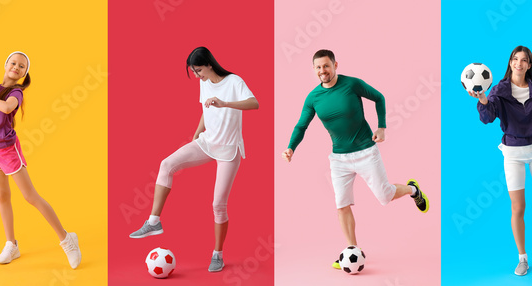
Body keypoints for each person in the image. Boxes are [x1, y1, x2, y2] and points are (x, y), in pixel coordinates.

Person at [282, 49, 429, 270]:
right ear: (314, 70)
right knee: (341, 204)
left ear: (335, 65)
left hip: (366, 151)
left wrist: (381, 127)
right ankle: (352, 249)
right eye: (318, 67)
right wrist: (291, 147)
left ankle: (413, 190)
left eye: (326, 65)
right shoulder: (313, 97)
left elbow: (379, 97)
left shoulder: (352, 84)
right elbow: (301, 125)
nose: (323, 70)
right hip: (339, 159)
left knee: (385, 196)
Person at [128, 47, 259, 273]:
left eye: (199, 70)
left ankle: (217, 255)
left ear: (209, 64)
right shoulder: (203, 82)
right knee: (166, 164)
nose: (197, 76)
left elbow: (254, 103)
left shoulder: (234, 81)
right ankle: (153, 222)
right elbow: (205, 110)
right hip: (207, 143)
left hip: (229, 150)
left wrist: (225, 103)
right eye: (194, 72)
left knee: (218, 205)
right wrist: (197, 134)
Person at [0, 51, 82, 269]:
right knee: (2, 196)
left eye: (21, 66)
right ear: (5, 64)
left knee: (30, 196)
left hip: (7, 150)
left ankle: (67, 239)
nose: (16, 67)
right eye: (13, 63)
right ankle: (11, 244)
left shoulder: (16, 92)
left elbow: (6, 107)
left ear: (24, 73)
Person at [468, 45, 532, 276]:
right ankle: (522, 258)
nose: (519, 63)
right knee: (518, 207)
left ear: (529, 65)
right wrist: (482, 99)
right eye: (515, 59)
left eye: (524, 60)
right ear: (510, 63)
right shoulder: (499, 90)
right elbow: (488, 118)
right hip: (513, 154)